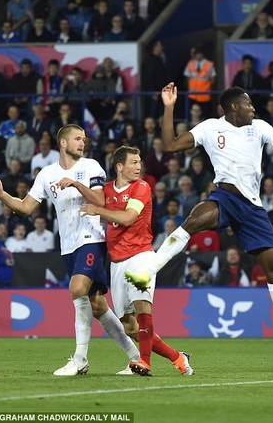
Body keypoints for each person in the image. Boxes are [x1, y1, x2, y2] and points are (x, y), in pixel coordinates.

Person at [124, 83, 273, 359]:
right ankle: (149, 270)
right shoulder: (210, 128)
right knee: (195, 219)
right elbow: (171, 144)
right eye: (248, 104)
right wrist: (169, 107)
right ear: (234, 107)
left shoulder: (260, 127)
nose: (253, 108)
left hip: (253, 206)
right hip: (225, 197)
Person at [0, 124, 140, 376]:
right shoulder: (47, 174)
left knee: (77, 289)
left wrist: (76, 186)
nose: (83, 143)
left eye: (84, 139)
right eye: (77, 138)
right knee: (97, 304)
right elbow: (25, 208)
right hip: (68, 245)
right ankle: (135, 357)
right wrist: (2, 195)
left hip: (92, 238)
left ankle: (80, 359)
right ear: (63, 143)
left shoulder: (91, 167)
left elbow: (101, 200)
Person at [80, 146, 193, 377]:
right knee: (130, 327)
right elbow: (94, 199)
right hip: (117, 262)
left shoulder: (141, 187)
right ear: (120, 166)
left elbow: (128, 217)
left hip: (141, 257)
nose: (138, 166)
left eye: (139, 161)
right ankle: (177, 357)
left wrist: (98, 211)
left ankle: (145, 361)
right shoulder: (108, 189)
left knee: (143, 306)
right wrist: (76, 184)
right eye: (133, 162)